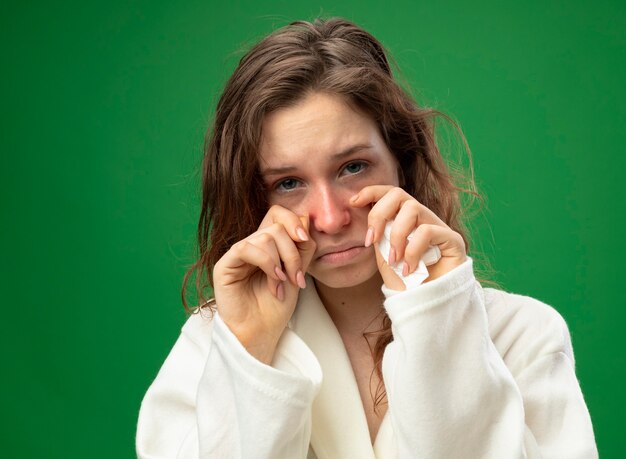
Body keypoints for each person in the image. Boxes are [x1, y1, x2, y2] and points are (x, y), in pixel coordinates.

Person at [136, 17, 597, 458]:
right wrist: (251, 355)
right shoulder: (213, 345)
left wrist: (438, 315)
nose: (331, 218)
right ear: (257, 198)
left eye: (353, 167)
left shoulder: (526, 337)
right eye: (288, 183)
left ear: (403, 162)